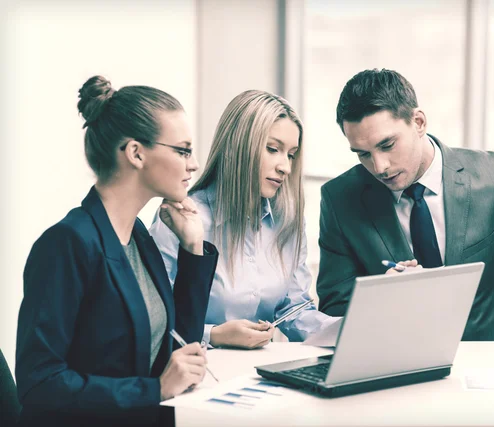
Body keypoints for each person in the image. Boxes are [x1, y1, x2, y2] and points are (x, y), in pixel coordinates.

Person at [316, 68, 494, 370]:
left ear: (418, 122)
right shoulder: (340, 198)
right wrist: (384, 301)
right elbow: (334, 308)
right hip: (394, 367)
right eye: (363, 154)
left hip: (488, 363)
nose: (379, 166)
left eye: (387, 145)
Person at [16, 76, 218, 427]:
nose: (194, 164)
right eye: (183, 150)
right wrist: (153, 390)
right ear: (136, 153)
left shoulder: (138, 235)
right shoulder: (68, 243)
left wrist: (193, 249)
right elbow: (40, 385)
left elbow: (177, 347)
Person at [150, 89, 337, 349]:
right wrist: (213, 335)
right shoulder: (183, 220)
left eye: (291, 154)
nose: (286, 166)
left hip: (260, 375)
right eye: (273, 149)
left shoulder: (288, 223)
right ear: (239, 146)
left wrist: (344, 329)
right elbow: (155, 320)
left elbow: (293, 309)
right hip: (197, 369)